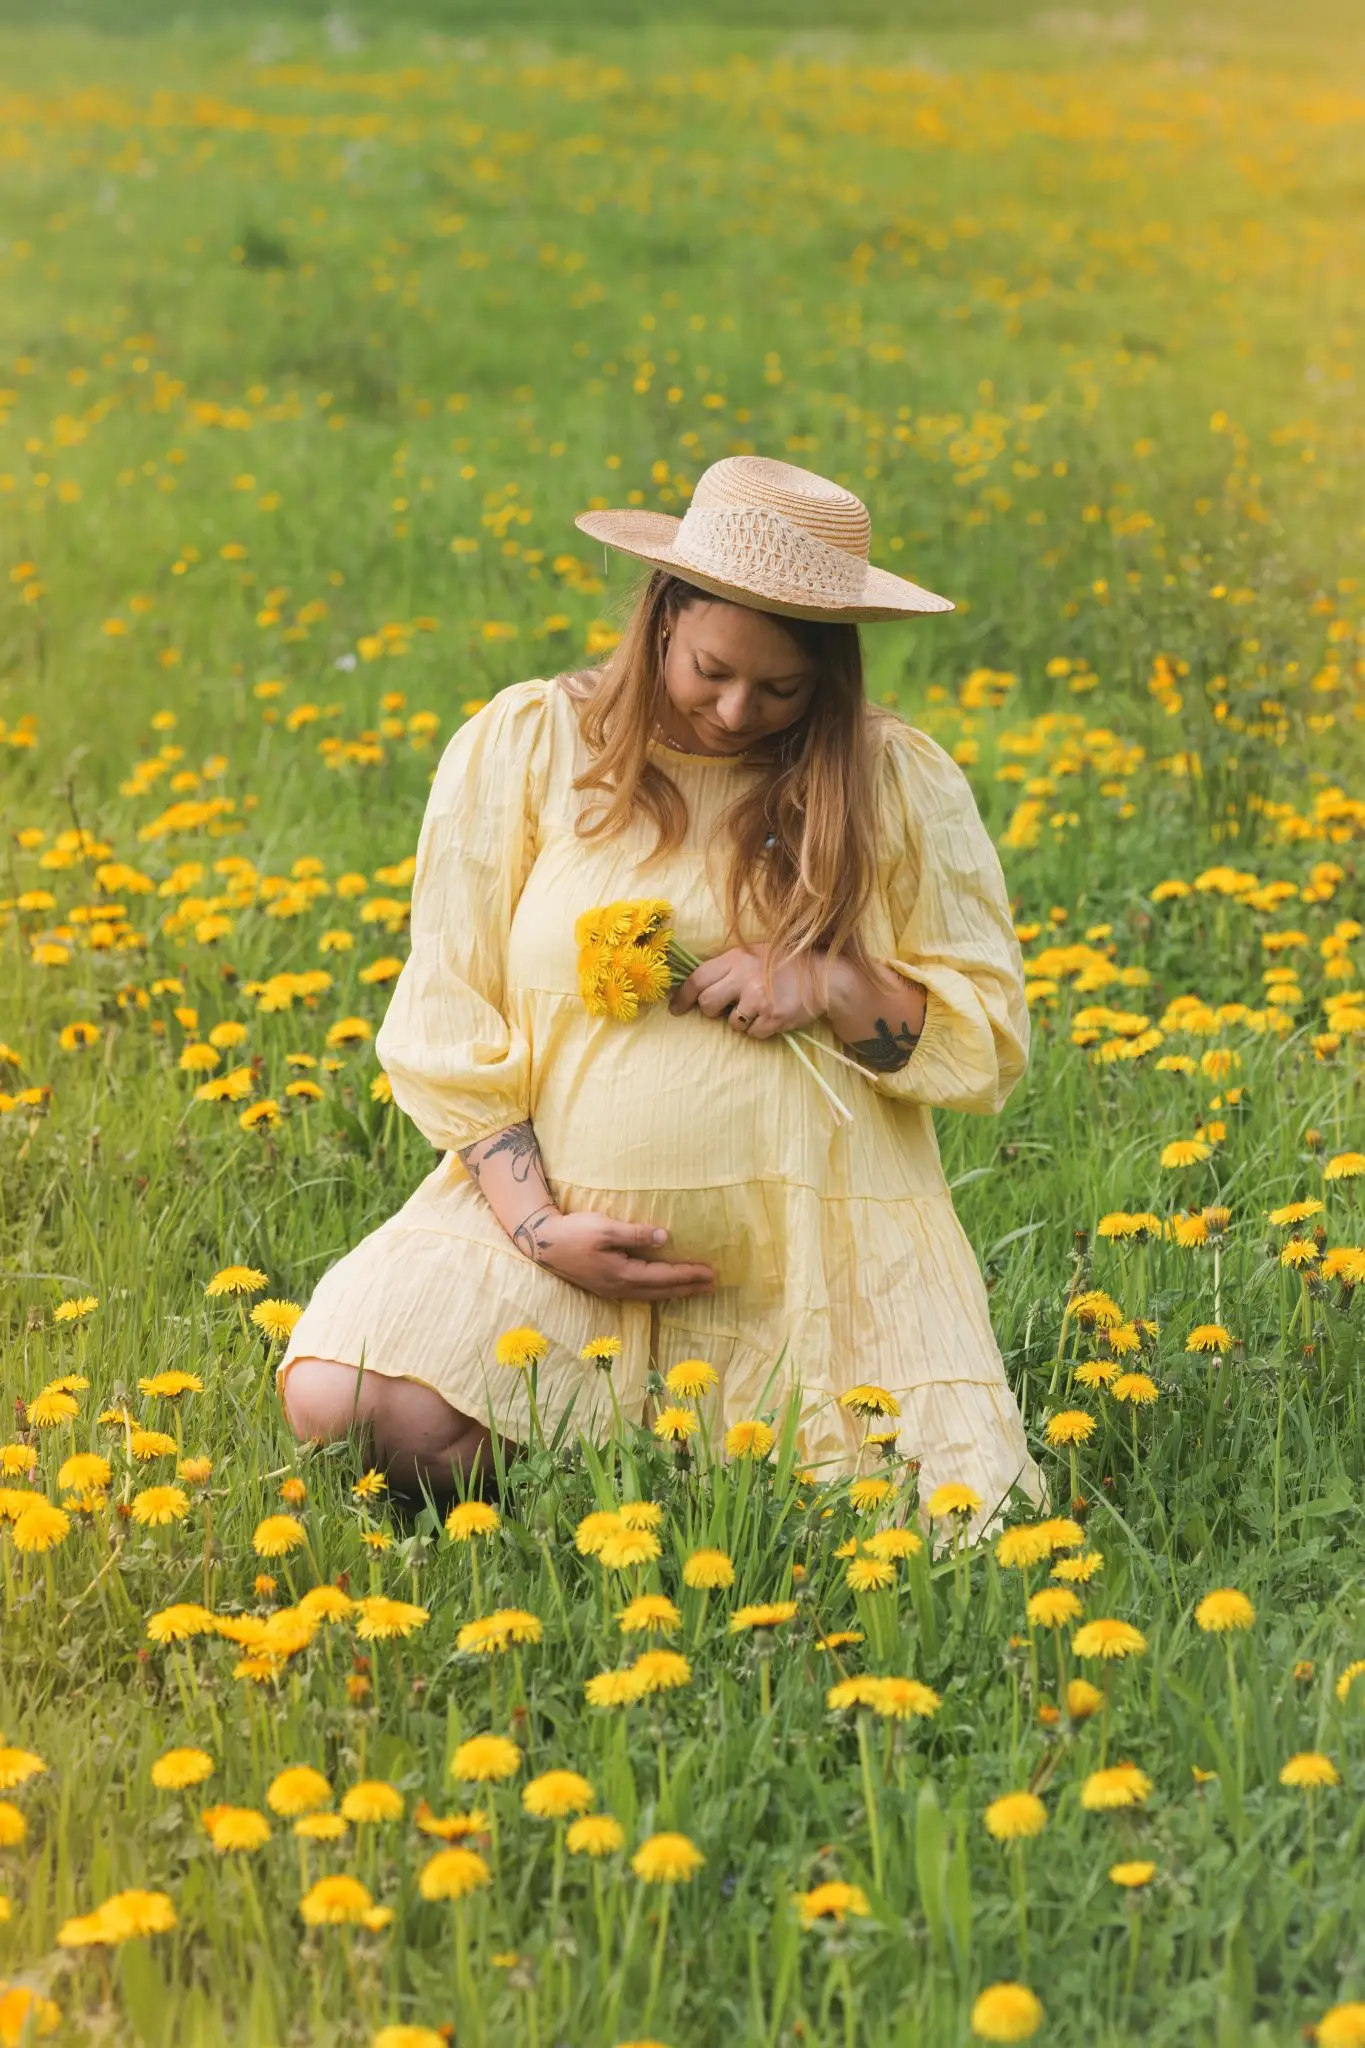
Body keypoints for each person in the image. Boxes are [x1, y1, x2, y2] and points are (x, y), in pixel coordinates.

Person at [279, 455, 1045, 1538]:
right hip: (557, 1233)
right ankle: (630, 1432)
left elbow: (986, 1041)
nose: (739, 711)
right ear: (660, 617)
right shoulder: (536, 744)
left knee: (922, 1511)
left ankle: (660, 1446)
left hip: (806, 1245)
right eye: (712, 669)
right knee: (341, 1397)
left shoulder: (891, 780)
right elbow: (451, 1010)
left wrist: (827, 979)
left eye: (783, 689)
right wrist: (541, 1228)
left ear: (833, 674)